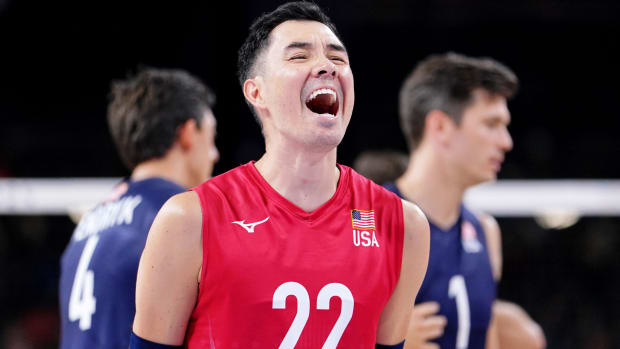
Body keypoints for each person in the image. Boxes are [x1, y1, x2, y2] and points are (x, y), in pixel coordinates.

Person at [130, 2, 430, 348]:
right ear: (257, 92)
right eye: (299, 57)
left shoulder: (403, 225)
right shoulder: (189, 219)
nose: (326, 67)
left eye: (338, 58)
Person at [385, 52, 545, 349]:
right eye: (492, 124)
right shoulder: (370, 221)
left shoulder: (486, 231)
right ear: (441, 127)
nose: (506, 141)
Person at [58, 67, 219, 349]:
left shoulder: (90, 220)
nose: (215, 154)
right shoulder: (182, 215)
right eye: (212, 137)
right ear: (188, 133)